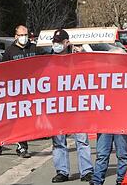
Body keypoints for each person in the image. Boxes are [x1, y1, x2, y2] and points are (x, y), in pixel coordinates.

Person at [50, 30, 93, 183]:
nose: (56, 44)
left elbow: (92, 70)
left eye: (59, 41)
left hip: (77, 106)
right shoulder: (48, 61)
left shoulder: (78, 58)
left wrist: (83, 52)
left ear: (67, 42)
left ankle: (86, 171)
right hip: (57, 107)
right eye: (55, 41)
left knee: (82, 139)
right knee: (58, 141)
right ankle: (62, 171)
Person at [0, 25, 40, 158]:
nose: (24, 37)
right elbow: (2, 70)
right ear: (16, 36)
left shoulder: (34, 48)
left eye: (26, 35)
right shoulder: (10, 51)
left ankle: (22, 146)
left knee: (25, 119)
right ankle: (5, 143)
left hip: (30, 89)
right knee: (14, 120)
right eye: (21, 35)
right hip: (15, 91)